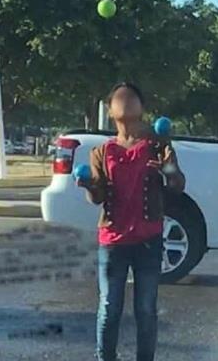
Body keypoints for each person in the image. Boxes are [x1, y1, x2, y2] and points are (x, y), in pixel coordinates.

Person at [77, 82, 185, 361]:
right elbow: (97, 197)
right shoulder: (101, 152)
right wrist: (88, 184)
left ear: (142, 107)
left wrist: (166, 168)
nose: (125, 97)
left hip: (148, 240)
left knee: (146, 309)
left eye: (132, 95)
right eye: (119, 96)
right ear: (110, 110)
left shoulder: (158, 144)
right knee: (109, 306)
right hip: (113, 241)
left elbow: (177, 184)